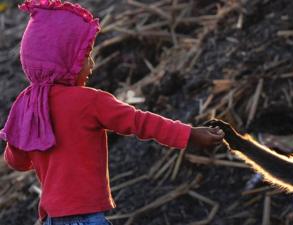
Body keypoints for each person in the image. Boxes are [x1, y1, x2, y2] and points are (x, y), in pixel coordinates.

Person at [0, 1, 224, 224]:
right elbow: (139, 122)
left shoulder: (25, 106)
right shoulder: (89, 101)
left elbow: (17, 161)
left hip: (51, 219)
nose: (92, 64)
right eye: (85, 55)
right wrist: (189, 134)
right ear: (64, 59)